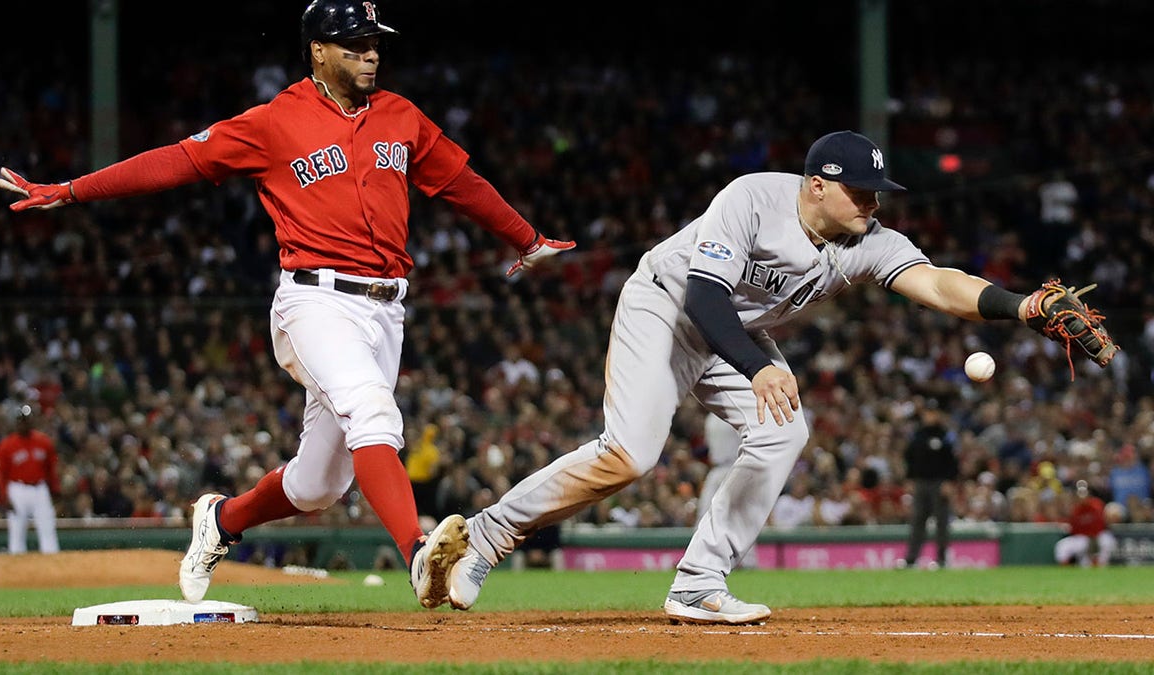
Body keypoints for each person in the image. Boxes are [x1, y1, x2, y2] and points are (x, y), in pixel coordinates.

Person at [0, 0, 573, 608]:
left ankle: (221, 522)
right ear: (318, 50)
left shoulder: (401, 117)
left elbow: (460, 183)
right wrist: (73, 190)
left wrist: (526, 238)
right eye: (354, 44)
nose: (371, 53)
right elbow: (179, 160)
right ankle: (418, 553)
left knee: (318, 484)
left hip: (385, 312)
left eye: (374, 42)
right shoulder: (275, 121)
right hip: (314, 302)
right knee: (373, 414)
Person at [431, 130, 1115, 625]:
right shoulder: (754, 198)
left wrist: (1019, 305)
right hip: (667, 303)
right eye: (858, 191)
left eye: (877, 193)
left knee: (786, 431)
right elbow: (704, 295)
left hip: (735, 330)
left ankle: (699, 581)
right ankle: (487, 535)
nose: (870, 205)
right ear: (817, 184)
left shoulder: (868, 241)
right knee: (631, 454)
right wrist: (757, 366)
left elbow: (938, 282)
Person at [896, 403, 959, 569]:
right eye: (927, 412)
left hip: (939, 483)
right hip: (920, 483)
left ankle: (941, 559)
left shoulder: (945, 435)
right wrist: (909, 478)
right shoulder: (917, 435)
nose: (929, 416)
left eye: (933, 412)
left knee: (941, 522)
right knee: (917, 521)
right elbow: (909, 458)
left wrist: (949, 481)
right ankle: (911, 559)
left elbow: (952, 461)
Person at [0, 404, 61, 554]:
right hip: (17, 489)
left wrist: (55, 490)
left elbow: (52, 470)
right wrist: (4, 496)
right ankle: (18, 571)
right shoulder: (6, 445)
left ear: (31, 421)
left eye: (26, 419)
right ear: (16, 422)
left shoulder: (44, 442)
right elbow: (1, 474)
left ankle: (53, 566)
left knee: (47, 528)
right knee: (17, 532)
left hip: (40, 489)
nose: (23, 423)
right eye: (20, 420)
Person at [1054, 480, 1118, 567]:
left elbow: (1102, 523)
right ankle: (1065, 570)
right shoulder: (1075, 509)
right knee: (1062, 546)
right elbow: (1073, 529)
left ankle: (1100, 564)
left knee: (1108, 541)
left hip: (1097, 536)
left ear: (1088, 493)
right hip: (1082, 538)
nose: (1082, 496)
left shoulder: (1097, 504)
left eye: (1084, 493)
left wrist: (1093, 536)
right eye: (1080, 493)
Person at [696, 412, 741, 524]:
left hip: (734, 467)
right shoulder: (711, 418)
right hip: (718, 469)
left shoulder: (737, 414)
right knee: (703, 517)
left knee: (739, 517)